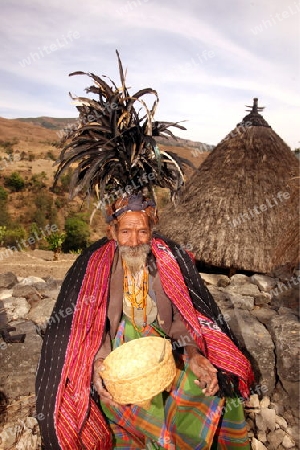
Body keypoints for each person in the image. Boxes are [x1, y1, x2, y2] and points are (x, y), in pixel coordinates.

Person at [35, 52, 254, 449]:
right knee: (123, 399)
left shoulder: (170, 257)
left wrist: (192, 353)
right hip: (119, 352)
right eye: (126, 231)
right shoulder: (93, 264)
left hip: (165, 346)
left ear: (153, 227)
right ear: (111, 230)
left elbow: (189, 318)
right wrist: (100, 360)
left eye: (142, 230)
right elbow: (84, 327)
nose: (135, 240)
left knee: (212, 386)